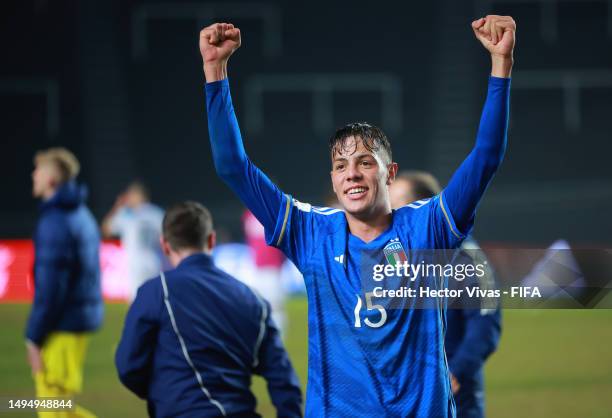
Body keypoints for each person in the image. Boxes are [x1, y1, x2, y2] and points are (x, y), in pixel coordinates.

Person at [201, 15, 514, 416]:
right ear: (333, 181)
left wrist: (500, 64)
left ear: (389, 173)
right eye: (341, 165)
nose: (351, 172)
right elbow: (232, 166)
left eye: (365, 162)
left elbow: (486, 157)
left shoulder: (427, 228)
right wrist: (215, 71)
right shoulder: (310, 233)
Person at [115, 201, 302, 418]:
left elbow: (129, 367)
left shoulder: (156, 292)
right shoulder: (251, 298)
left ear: (165, 245)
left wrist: (164, 394)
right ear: (211, 240)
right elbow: (283, 378)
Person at [390, 170, 502, 418]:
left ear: (422, 208)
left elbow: (485, 326)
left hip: (453, 399)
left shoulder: (468, 259)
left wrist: (456, 372)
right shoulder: (396, 255)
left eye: (396, 204)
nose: (389, 212)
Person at [27, 147, 103, 418]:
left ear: (51, 179)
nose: (33, 175)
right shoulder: (80, 214)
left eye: (39, 170)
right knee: (60, 407)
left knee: (52, 409)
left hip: (61, 324)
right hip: (75, 319)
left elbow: (50, 288)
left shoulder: (56, 221)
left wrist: (34, 337)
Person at [102, 181, 165, 301]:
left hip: (135, 263)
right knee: (156, 300)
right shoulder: (157, 213)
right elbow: (167, 235)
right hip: (154, 261)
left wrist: (117, 206)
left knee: (137, 303)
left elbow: (106, 229)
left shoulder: (128, 214)